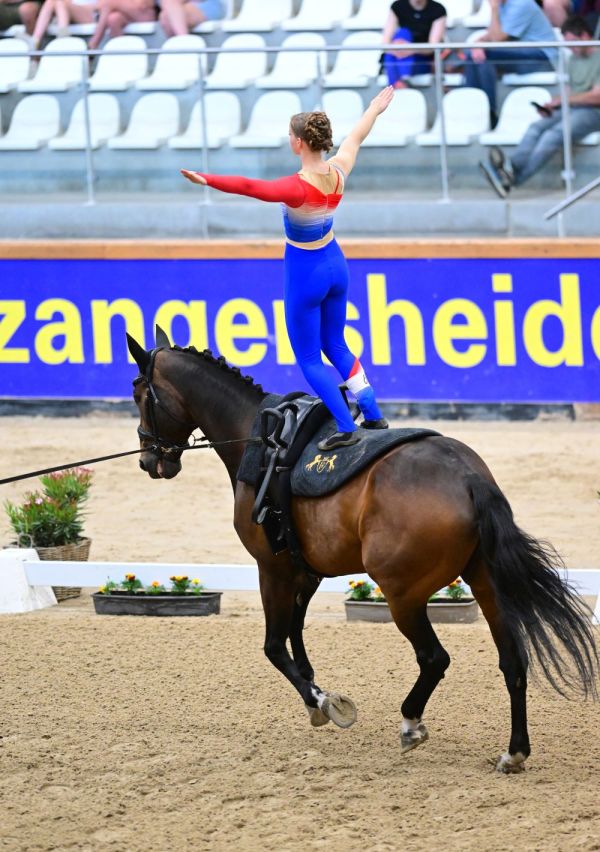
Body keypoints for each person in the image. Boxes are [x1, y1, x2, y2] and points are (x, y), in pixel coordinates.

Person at [181, 89, 395, 452]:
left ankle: (347, 426)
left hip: (306, 272)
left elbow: (250, 186)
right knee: (337, 343)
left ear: (298, 143)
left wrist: (207, 179)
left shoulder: (296, 188)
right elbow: (357, 135)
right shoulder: (340, 171)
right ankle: (372, 411)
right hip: (335, 264)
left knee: (310, 358)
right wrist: (374, 108)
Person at [479, 15, 600, 195]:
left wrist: (565, 100)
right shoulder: (573, 59)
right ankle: (510, 170)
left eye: (573, 43)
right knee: (536, 127)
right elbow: (570, 91)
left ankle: (512, 180)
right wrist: (554, 104)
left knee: (553, 134)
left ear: (585, 36)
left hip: (594, 112)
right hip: (573, 107)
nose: (571, 49)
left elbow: (596, 97)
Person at [465, 0, 558, 126]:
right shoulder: (504, 5)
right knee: (475, 57)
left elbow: (498, 38)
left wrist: (494, 9)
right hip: (523, 53)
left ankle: (488, 113)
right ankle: (477, 109)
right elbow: (491, 34)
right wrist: (479, 43)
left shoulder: (521, 3)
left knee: (482, 56)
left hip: (541, 57)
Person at [381, 0, 447, 87]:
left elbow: (433, 47)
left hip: (421, 60)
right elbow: (385, 43)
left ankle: (396, 86)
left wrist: (411, 49)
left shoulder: (438, 10)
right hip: (398, 57)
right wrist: (399, 49)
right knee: (403, 34)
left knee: (391, 56)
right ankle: (402, 82)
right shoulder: (398, 6)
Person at [25, 0, 96, 50]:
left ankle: (62, 37)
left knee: (60, 2)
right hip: (73, 11)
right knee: (51, 1)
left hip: (92, 13)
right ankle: (35, 40)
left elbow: (103, 5)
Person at [88, 0, 155, 48]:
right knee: (113, 19)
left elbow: (143, 5)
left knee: (109, 1)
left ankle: (93, 44)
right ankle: (120, 52)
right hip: (125, 14)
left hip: (145, 14)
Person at [158, 0, 224, 38]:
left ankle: (186, 45)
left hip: (206, 4)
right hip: (175, 9)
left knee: (168, 10)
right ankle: (184, 46)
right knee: (165, 16)